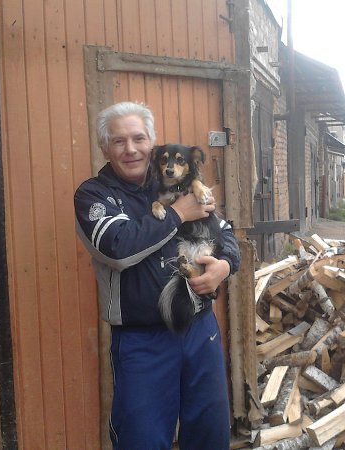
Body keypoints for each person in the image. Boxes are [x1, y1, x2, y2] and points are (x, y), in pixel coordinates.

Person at [74, 101, 240, 450]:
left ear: (152, 144)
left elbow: (224, 230)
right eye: (119, 141)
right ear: (105, 148)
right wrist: (178, 214)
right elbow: (118, 248)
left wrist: (225, 265)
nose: (130, 149)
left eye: (139, 138)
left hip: (200, 328)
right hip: (142, 339)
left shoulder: (176, 182)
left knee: (210, 433)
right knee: (142, 439)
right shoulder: (95, 195)